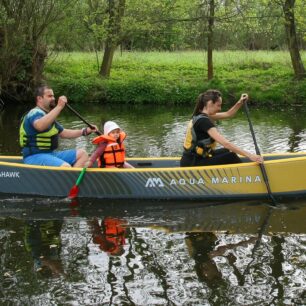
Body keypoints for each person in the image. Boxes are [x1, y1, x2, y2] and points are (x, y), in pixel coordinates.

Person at [180, 89, 263, 167]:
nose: (220, 109)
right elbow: (226, 143)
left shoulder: (202, 116)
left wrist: (240, 102)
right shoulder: (203, 121)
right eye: (218, 105)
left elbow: (228, 114)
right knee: (231, 156)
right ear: (210, 103)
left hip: (197, 158)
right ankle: (246, 174)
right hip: (193, 162)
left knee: (227, 151)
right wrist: (250, 155)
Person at [19, 85, 97, 167]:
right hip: (34, 156)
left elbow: (63, 133)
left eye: (53, 96)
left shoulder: (49, 117)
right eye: (49, 96)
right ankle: (68, 176)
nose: (53, 98)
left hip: (50, 154)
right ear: (39, 99)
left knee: (83, 154)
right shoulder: (34, 113)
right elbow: (40, 126)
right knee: (65, 166)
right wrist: (59, 107)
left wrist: (85, 131)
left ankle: (72, 179)